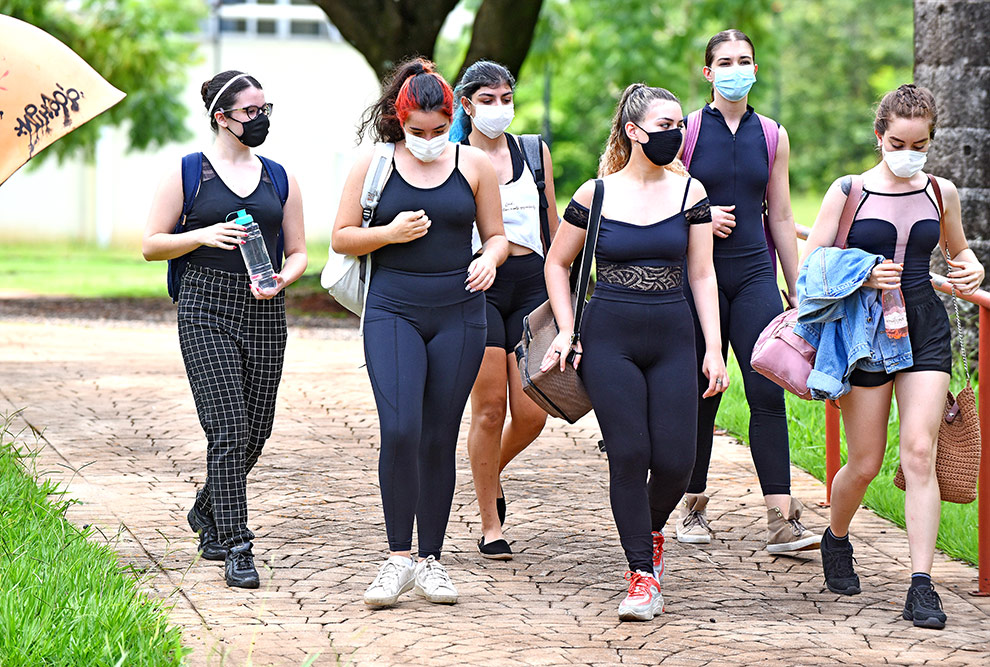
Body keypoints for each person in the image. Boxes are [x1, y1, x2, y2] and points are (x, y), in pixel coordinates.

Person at [542, 84, 728, 621]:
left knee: (677, 460)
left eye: (679, 126)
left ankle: (648, 533)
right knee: (630, 455)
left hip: (675, 334)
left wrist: (714, 349)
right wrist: (566, 329)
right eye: (663, 126)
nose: (675, 134)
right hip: (609, 338)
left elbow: (702, 273)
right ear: (633, 131)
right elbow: (557, 264)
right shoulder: (593, 194)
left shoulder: (691, 192)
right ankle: (641, 574)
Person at [802, 84, 983, 629]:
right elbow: (811, 267)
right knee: (864, 464)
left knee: (920, 452)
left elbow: (957, 248)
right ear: (880, 136)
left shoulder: (940, 191)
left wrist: (971, 268)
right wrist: (861, 270)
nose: (910, 153)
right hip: (866, 331)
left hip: (924, 326)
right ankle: (837, 538)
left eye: (920, 143)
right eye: (899, 141)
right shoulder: (849, 190)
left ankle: (921, 586)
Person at [331, 58, 508, 607]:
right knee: (401, 428)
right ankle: (396, 558)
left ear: (451, 119)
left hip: (460, 311)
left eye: (437, 131)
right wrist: (387, 232)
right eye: (416, 131)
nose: (428, 141)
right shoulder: (373, 163)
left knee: (438, 435)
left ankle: (431, 560)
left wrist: (490, 260)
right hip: (393, 310)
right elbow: (340, 238)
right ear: (397, 119)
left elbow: (497, 236)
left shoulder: (475, 164)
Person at [142, 70, 307, 588]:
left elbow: (301, 251)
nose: (261, 120)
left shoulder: (280, 177)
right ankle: (236, 542)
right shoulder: (190, 173)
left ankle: (206, 509)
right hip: (203, 306)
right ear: (222, 116)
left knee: (257, 430)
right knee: (229, 428)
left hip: (264, 307)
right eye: (250, 112)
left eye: (265, 109)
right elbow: (151, 244)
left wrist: (283, 278)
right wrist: (204, 234)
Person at [672, 29, 820, 552]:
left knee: (765, 392)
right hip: (698, 277)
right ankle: (691, 509)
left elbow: (779, 214)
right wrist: (698, 217)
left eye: (746, 60)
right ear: (708, 73)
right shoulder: (685, 132)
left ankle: (781, 519)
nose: (738, 69)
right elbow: (663, 200)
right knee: (701, 393)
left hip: (756, 275)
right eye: (726, 62)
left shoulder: (773, 135)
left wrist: (796, 288)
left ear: (755, 68)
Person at [449, 60, 560, 560]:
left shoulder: (534, 152)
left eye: (506, 98)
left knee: (534, 413)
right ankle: (490, 525)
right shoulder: (453, 156)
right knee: (490, 409)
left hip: (533, 284)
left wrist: (568, 300)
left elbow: (554, 226)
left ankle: (487, 474)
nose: (499, 108)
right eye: (487, 100)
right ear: (467, 105)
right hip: (480, 285)